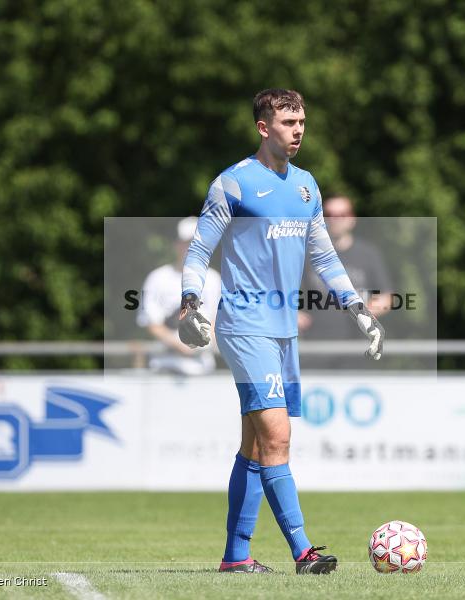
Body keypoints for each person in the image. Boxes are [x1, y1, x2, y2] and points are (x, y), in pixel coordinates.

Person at [177, 89, 385, 574]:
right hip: (244, 325)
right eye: (288, 122)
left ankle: (235, 558)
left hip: (283, 331)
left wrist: (358, 308)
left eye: (302, 122)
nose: (298, 130)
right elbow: (198, 250)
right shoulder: (233, 184)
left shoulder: (307, 186)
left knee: (254, 444)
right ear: (263, 127)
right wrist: (190, 305)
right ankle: (303, 551)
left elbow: (325, 258)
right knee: (278, 436)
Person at [299, 194, 394, 368]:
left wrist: (361, 315)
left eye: (342, 214)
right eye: (329, 213)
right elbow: (283, 290)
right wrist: (292, 314)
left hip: (357, 347)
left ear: (352, 219)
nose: (335, 219)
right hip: (315, 345)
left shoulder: (368, 254)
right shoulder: (308, 253)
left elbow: (387, 297)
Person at [136, 217, 221, 375]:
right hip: (165, 367)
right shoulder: (157, 278)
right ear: (177, 245)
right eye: (187, 243)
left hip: (202, 368)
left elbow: (217, 322)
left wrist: (201, 341)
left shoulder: (214, 279)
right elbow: (151, 323)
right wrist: (178, 344)